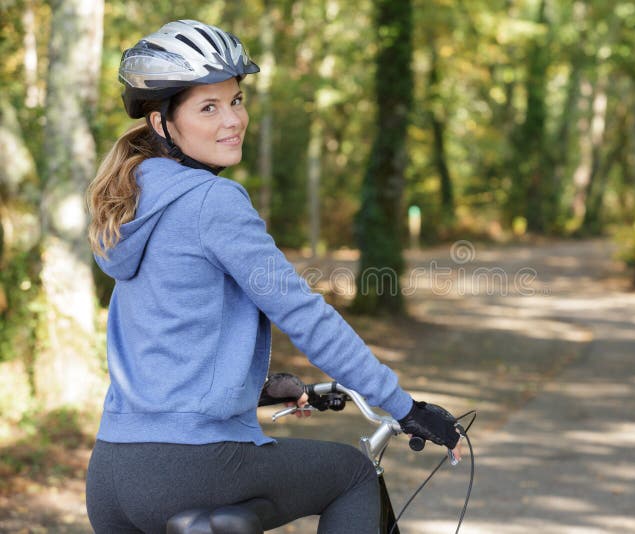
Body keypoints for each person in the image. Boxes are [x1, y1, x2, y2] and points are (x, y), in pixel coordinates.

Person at [84, 19, 460, 534]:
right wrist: (403, 405)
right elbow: (304, 316)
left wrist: (257, 390)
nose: (233, 119)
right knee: (352, 474)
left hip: (113, 475)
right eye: (208, 107)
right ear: (161, 123)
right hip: (192, 467)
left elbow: (167, 336)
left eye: (236, 100)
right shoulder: (212, 200)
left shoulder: (134, 205)